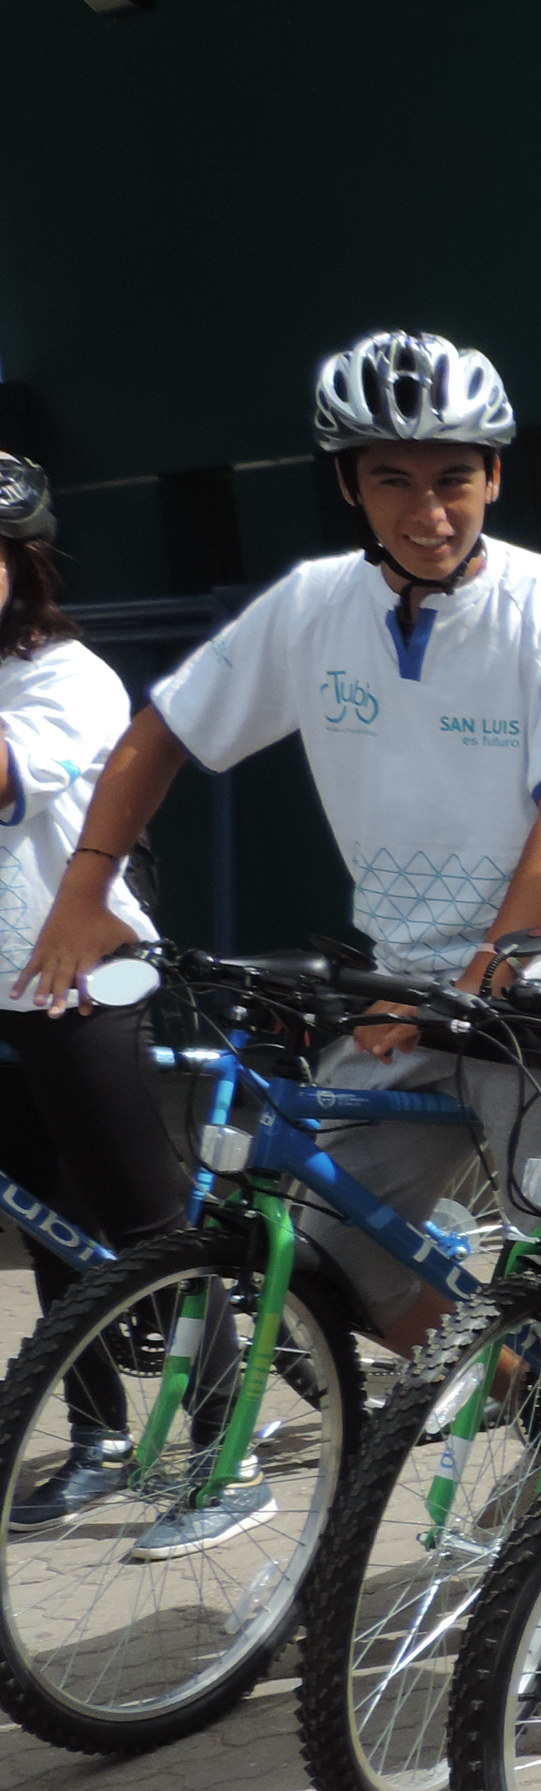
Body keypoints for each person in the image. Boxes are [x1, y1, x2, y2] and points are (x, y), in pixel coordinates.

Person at [21, 333, 541, 1608]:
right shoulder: (316, 608)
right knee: (324, 1255)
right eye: (392, 480)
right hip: (407, 993)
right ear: (350, 486)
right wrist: (85, 888)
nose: (427, 510)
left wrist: (495, 962)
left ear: (492, 473)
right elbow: (162, 734)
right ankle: (512, 1378)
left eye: (453, 478)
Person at [0, 453, 191, 1523]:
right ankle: (99, 1430)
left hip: (87, 979)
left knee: (150, 1230)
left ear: (21, 567)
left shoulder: (66, 677)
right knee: (47, 1226)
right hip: (1, 986)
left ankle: (225, 1437)